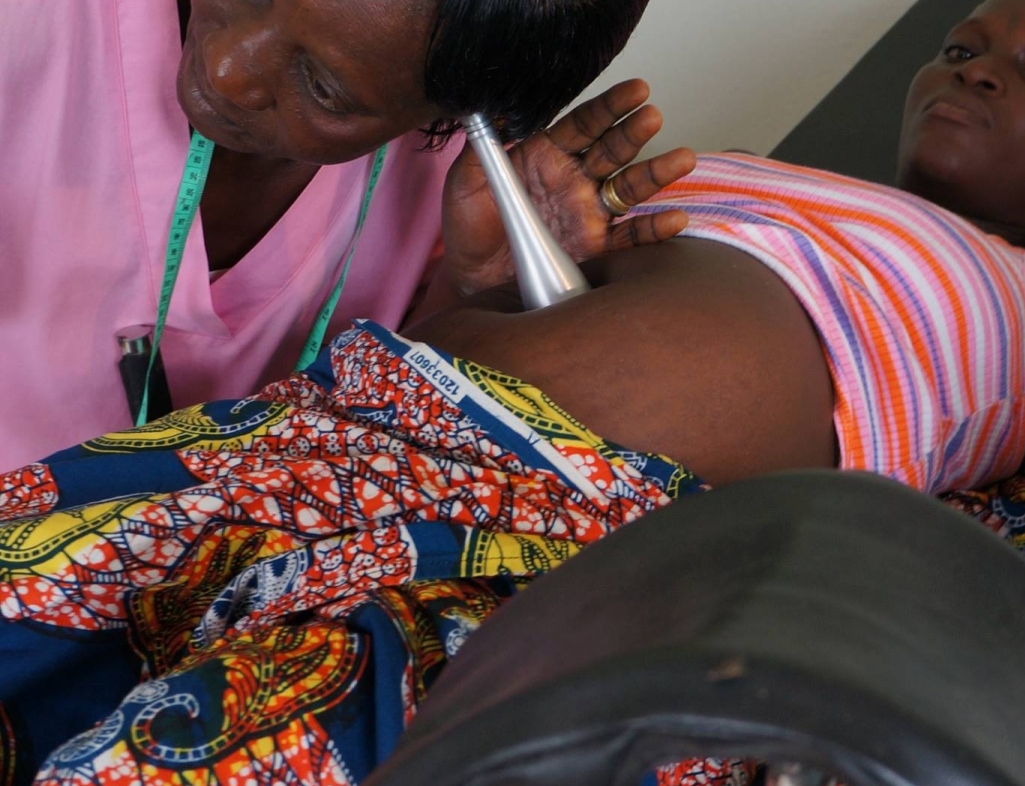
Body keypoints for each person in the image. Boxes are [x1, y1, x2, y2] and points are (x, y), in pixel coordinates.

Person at [0, 0, 1025, 786]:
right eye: (967, 40)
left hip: (573, 530)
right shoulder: (736, 172)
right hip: (339, 432)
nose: (979, 64)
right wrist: (477, 283)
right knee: (38, 612)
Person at [0, 0, 696, 472]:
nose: (226, 69)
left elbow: (364, 451)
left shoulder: (449, 186)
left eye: (323, 89)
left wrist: (474, 296)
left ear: (450, 116)